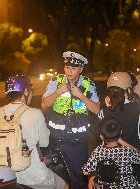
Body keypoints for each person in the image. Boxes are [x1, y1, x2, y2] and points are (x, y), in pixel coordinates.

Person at [0, 74, 69, 189]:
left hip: (5, 173)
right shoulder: (35, 113)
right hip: (32, 175)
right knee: (64, 186)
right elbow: (44, 143)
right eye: (31, 91)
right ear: (26, 91)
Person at [41, 51, 100, 189]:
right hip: (55, 139)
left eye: (73, 68)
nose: (69, 71)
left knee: (79, 178)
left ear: (81, 69)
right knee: (58, 177)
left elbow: (97, 110)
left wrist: (81, 96)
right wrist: (57, 92)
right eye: (67, 67)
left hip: (77, 141)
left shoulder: (88, 84)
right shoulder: (55, 82)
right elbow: (44, 105)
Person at [98, 72, 140, 189]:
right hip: (135, 161)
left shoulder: (103, 113)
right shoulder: (138, 109)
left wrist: (108, 109)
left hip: (111, 165)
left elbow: (104, 141)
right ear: (128, 90)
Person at [82, 117, 140, 189]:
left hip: (105, 187)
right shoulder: (126, 151)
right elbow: (138, 156)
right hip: (127, 187)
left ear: (101, 136)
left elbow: (86, 171)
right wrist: (121, 141)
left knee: (92, 180)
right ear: (121, 132)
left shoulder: (98, 151)